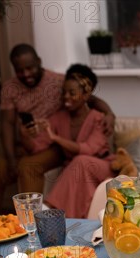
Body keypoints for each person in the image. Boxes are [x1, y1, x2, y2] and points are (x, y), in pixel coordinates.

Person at [0, 44, 115, 216]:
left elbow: (89, 98)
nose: (26, 74)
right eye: (20, 70)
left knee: (29, 166)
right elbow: (7, 123)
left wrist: (110, 113)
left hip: (57, 147)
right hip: (34, 138)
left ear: (39, 62)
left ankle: (33, 219)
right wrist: (13, 155)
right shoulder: (11, 88)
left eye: (30, 68)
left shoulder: (59, 81)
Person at [27, 64, 115, 218]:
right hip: (77, 171)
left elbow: (87, 149)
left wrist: (56, 138)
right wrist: (26, 134)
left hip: (102, 166)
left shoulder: (98, 119)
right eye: (64, 92)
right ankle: (73, 225)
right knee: (79, 168)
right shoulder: (58, 118)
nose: (66, 97)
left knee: (81, 160)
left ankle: (49, 208)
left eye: (72, 93)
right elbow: (37, 147)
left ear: (86, 96)